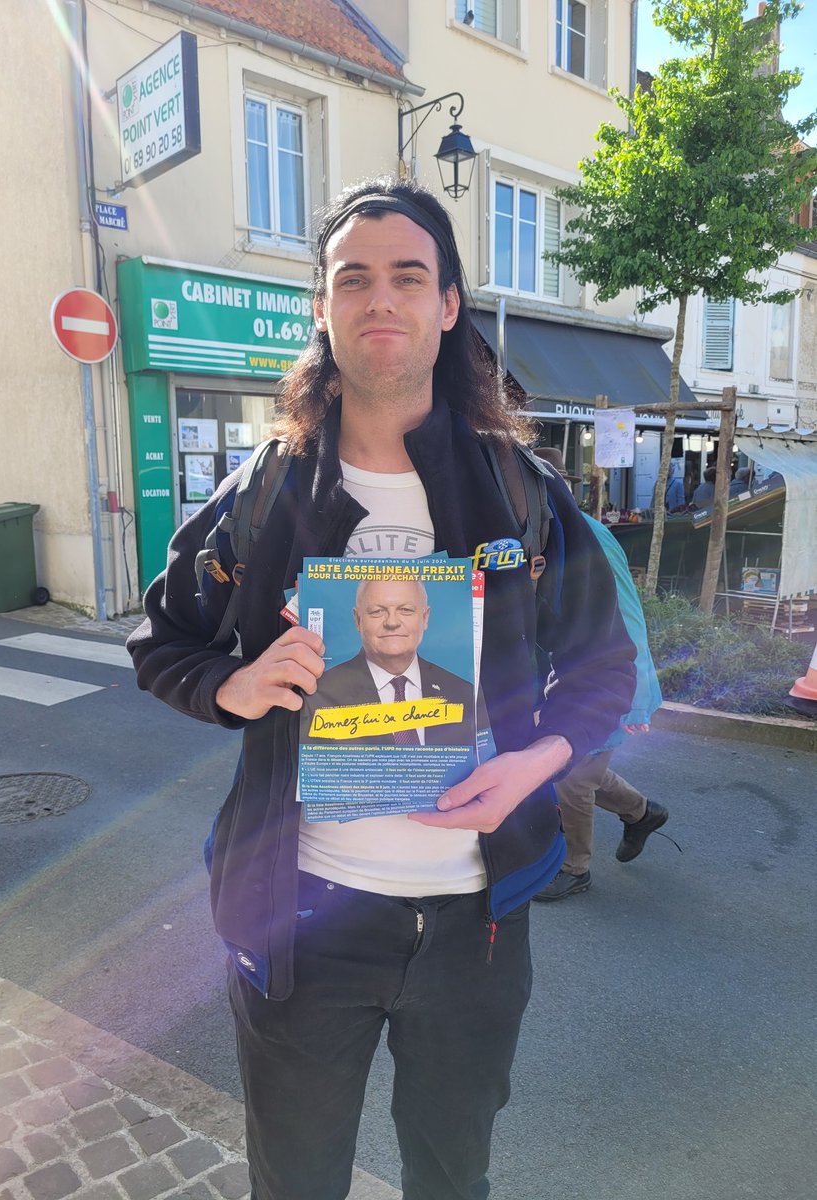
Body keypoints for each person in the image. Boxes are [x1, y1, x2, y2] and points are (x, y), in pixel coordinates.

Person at [127, 176, 636, 1200]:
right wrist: (233, 686)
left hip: (474, 930)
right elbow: (163, 638)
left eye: (410, 276)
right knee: (298, 1179)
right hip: (302, 918)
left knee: (452, 1177)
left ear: (449, 305)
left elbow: (603, 673)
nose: (381, 300)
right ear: (323, 306)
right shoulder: (264, 492)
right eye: (352, 278)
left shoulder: (522, 494)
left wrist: (535, 762)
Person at [531, 447, 667, 901]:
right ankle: (642, 813)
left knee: (570, 777)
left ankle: (575, 868)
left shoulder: (572, 536)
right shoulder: (576, 529)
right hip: (605, 672)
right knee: (585, 765)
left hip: (612, 675)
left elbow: (610, 620)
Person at [301, 577, 476, 747]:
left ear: (425, 618)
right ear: (357, 620)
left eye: (406, 610)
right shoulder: (318, 695)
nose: (392, 622)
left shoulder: (463, 692)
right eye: (377, 611)